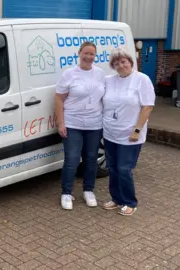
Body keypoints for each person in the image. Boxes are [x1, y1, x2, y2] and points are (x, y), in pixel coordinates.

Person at [101, 47, 155, 216]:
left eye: (123, 61)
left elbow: (147, 106)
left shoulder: (142, 79)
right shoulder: (109, 80)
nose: (120, 65)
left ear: (130, 62)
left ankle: (130, 202)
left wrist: (137, 130)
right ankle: (116, 199)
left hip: (130, 134)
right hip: (110, 132)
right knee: (113, 167)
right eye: (116, 63)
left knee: (124, 168)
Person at [55, 41, 106, 210]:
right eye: (86, 53)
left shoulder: (100, 74)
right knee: (72, 159)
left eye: (92, 54)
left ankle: (88, 190)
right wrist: (61, 122)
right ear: (79, 53)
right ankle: (67, 193)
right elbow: (59, 99)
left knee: (91, 159)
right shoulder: (69, 74)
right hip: (73, 123)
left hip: (94, 124)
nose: (88, 57)